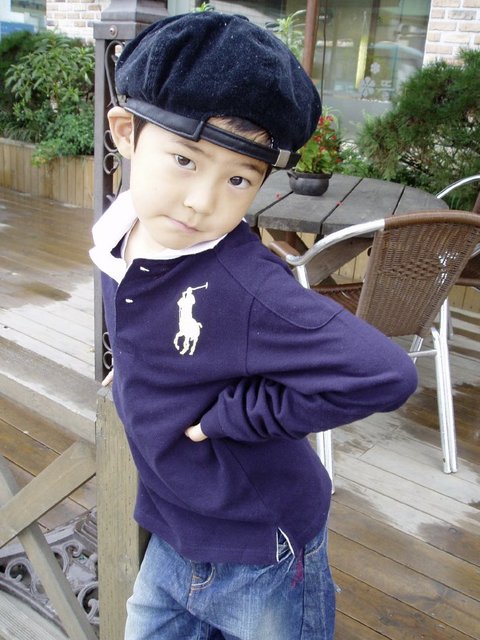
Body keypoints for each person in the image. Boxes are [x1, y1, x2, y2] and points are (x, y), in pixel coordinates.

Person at [90, 12, 418, 640]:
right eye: (184, 159)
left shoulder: (247, 286)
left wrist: (231, 417)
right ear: (126, 133)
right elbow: (138, 300)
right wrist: (131, 364)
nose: (201, 201)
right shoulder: (123, 225)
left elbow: (385, 373)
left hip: (263, 546)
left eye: (238, 179)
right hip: (172, 527)